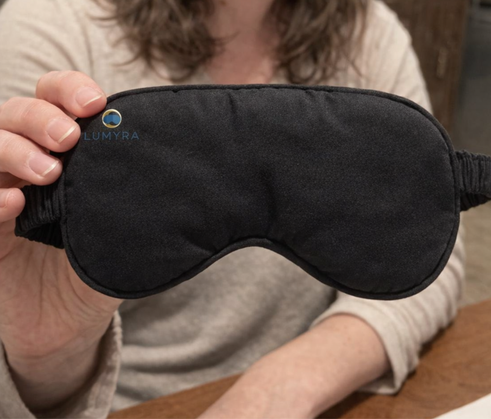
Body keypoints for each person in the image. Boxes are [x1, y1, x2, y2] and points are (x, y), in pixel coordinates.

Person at [0, 0, 466, 418]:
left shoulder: (367, 32)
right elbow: (30, 327)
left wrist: (282, 387)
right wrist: (48, 355)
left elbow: (432, 243)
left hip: (325, 388)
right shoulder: (52, 26)